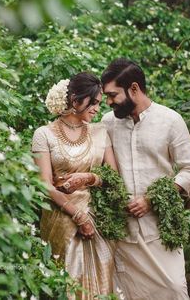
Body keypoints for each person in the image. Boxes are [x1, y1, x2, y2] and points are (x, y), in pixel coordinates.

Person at [101, 58, 190, 300]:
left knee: (174, 289)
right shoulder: (107, 123)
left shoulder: (170, 121)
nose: (109, 101)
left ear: (134, 88)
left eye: (113, 95)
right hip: (123, 232)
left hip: (161, 228)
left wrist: (151, 199)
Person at [32, 72, 118, 299]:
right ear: (75, 100)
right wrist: (79, 216)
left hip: (98, 218)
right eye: (94, 102)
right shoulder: (44, 134)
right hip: (61, 219)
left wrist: (88, 178)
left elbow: (113, 176)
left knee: (103, 285)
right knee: (67, 286)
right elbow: (45, 185)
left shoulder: (100, 132)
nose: (98, 108)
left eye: (100, 103)